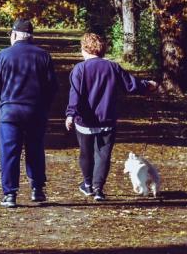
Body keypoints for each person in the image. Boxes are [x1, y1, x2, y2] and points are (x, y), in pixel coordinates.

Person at [65, 33, 158, 201]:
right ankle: (98, 189)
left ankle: (87, 185)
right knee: (103, 155)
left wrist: (70, 114)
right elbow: (131, 85)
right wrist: (148, 86)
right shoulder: (113, 67)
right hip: (107, 120)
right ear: (102, 49)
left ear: (84, 49)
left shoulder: (79, 69)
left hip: (84, 122)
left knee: (86, 154)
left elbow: (75, 95)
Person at [0, 19, 58, 208]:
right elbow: (52, 87)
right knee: (35, 149)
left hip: (10, 113)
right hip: (35, 111)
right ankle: (37, 189)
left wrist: (1, 106)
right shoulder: (43, 56)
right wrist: (43, 106)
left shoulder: (2, 56)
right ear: (31, 36)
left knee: (9, 153)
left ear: (13, 35)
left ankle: (10, 194)